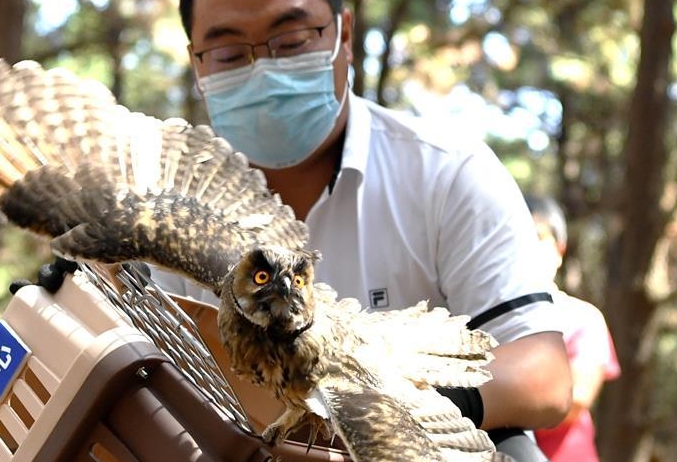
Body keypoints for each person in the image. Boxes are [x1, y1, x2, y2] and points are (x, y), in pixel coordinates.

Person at [166, 0, 573, 457]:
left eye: (292, 41)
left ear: (344, 35)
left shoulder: (447, 172)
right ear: (196, 64)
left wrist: (403, 412)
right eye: (229, 54)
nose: (263, 70)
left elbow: (543, 375)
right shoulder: (170, 211)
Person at [526, 195, 621, 461]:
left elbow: (574, 401)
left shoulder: (584, 318)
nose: (526, 248)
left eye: (537, 237)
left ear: (560, 250)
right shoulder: (474, 317)